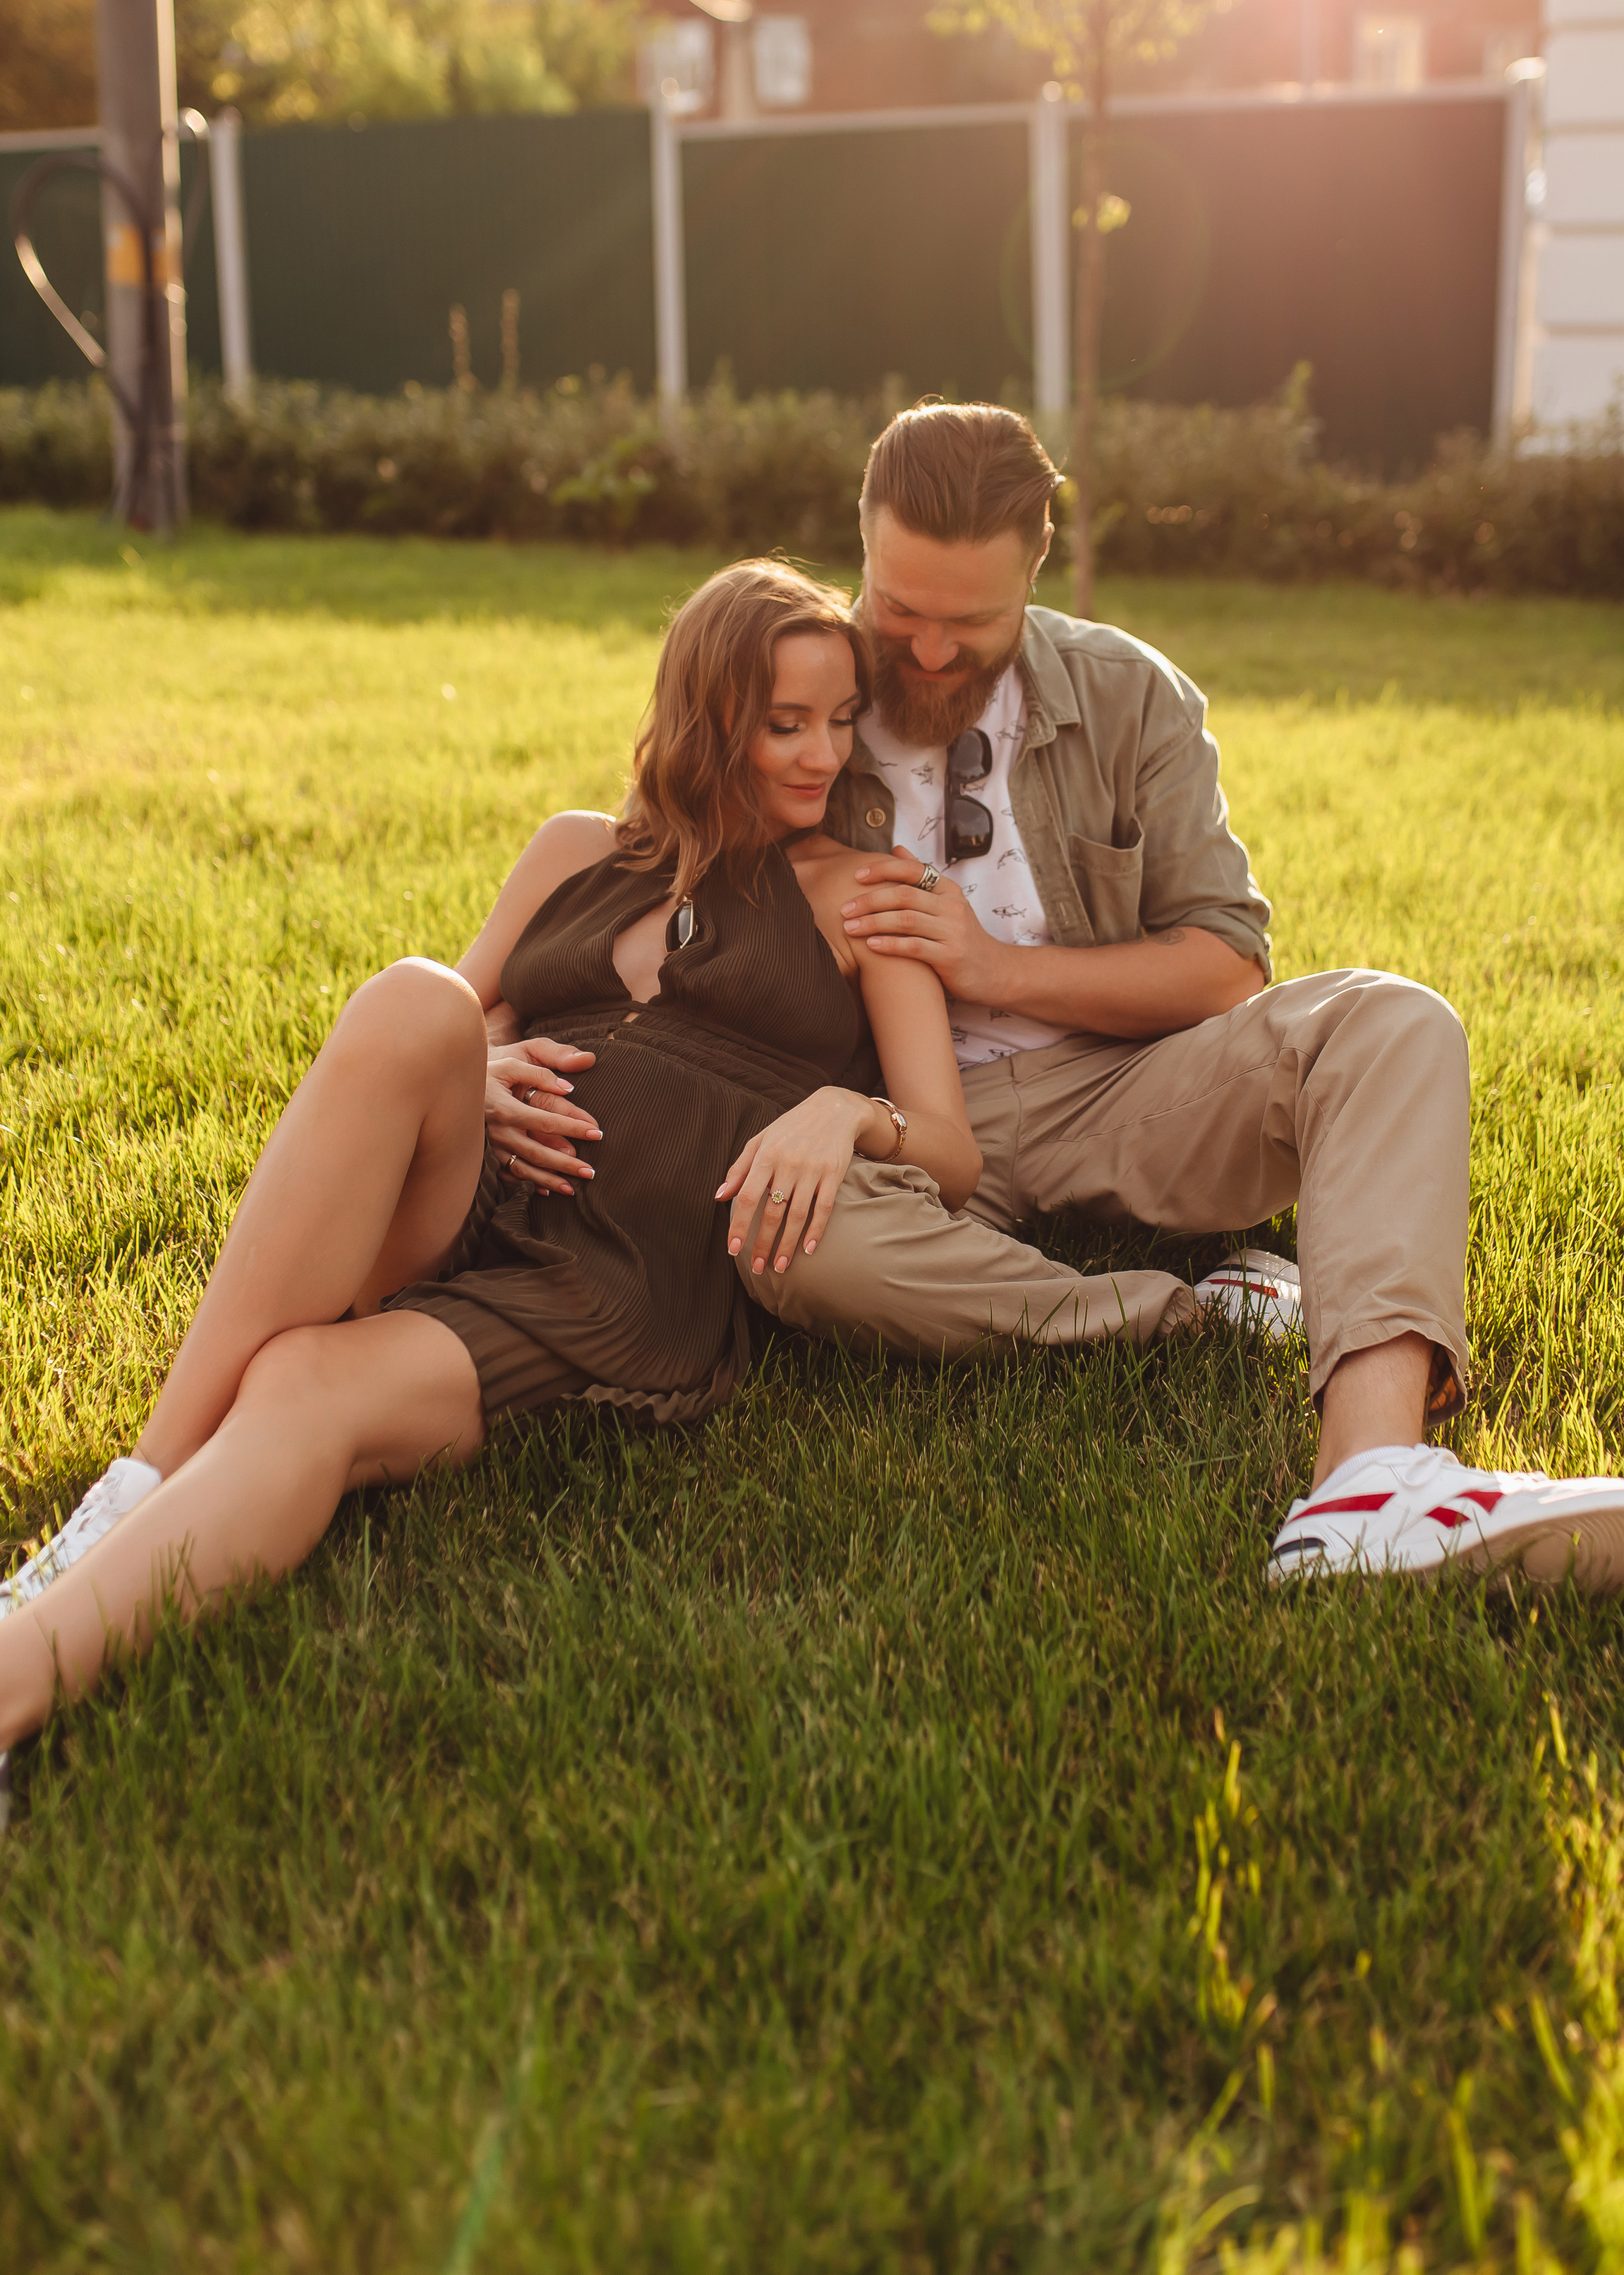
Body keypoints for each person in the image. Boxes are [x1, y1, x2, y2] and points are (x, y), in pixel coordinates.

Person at [4, 559, 1144, 1828]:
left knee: (300, 1385)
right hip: (465, 1195)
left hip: (608, 1274)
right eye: (785, 724)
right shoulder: (575, 851)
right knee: (415, 999)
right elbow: (464, 1016)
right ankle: (137, 1483)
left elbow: (950, 1152)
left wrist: (846, 1110)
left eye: (838, 719)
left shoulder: (875, 895)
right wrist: (486, 1067)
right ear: (708, 717)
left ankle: (18, 1680)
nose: (824, 755)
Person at [497, 404, 1624, 1596]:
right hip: (890, 1118)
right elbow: (644, 886)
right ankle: (1189, 1311)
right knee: (783, 1231)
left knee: (1394, 1019)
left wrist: (992, 968)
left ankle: (1370, 1478)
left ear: (1037, 567)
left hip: (1124, 1088)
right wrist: (489, 1045)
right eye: (900, 609)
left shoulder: (1130, 696)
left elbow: (1227, 963)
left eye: (971, 622)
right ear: (864, 547)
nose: (930, 651)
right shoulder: (795, 682)